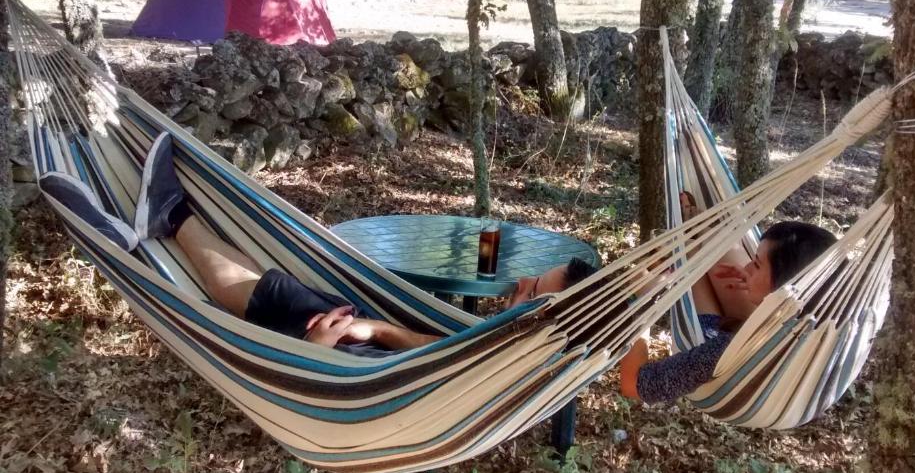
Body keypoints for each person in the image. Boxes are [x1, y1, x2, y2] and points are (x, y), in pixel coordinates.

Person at [39, 132, 596, 352]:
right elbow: (436, 352)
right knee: (282, 288)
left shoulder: (517, 348)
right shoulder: (513, 340)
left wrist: (323, 353)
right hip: (371, 352)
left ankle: (151, 233)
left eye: (534, 291)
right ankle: (166, 220)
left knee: (283, 299)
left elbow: (428, 378)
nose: (520, 283)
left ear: (554, 313)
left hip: (352, 375)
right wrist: (376, 326)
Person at [618, 193, 837, 403]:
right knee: (722, 263)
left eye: (757, 264)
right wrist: (761, 292)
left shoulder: (726, 351)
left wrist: (641, 304)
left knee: (699, 261)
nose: (748, 266)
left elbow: (633, 384)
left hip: (723, 344)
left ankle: (692, 243)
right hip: (765, 334)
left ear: (784, 287)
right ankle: (699, 238)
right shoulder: (827, 315)